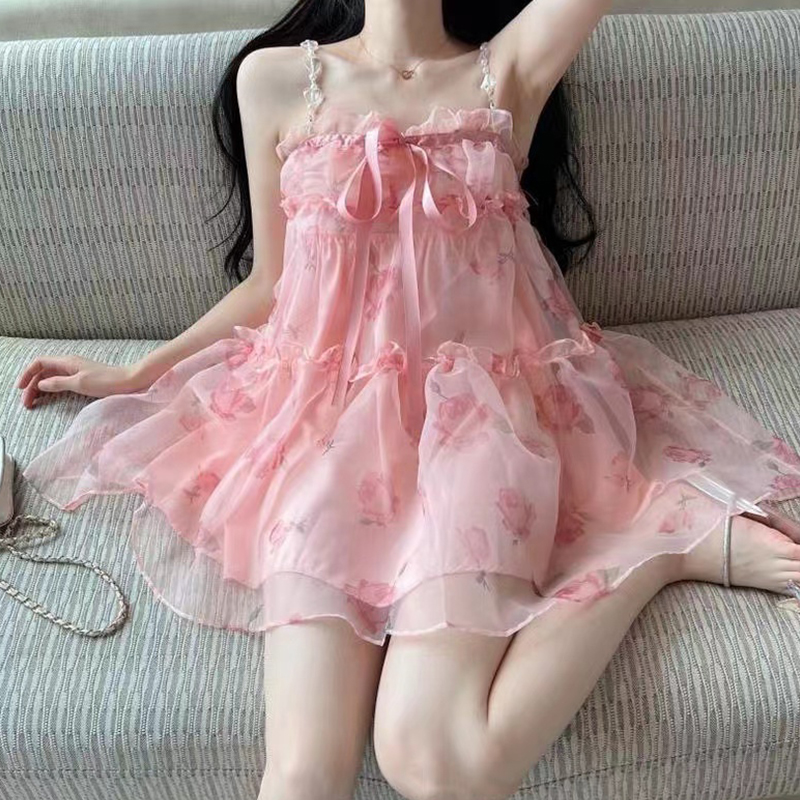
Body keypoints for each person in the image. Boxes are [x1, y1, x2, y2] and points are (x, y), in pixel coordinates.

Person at [15, 1, 800, 798]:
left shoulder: (506, 69)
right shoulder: (276, 79)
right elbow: (269, 284)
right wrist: (139, 372)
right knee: (303, 774)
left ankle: (661, 545)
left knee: (434, 758)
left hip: (479, 436)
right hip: (328, 438)